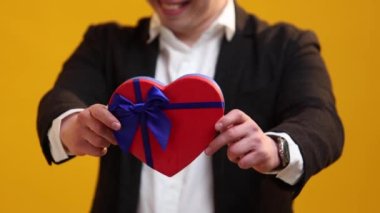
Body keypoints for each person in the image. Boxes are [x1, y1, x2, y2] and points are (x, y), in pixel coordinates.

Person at [37, 0, 344, 212]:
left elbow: (321, 119)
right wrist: (73, 126)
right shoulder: (105, 44)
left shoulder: (286, 47)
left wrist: (275, 148)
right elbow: (62, 98)